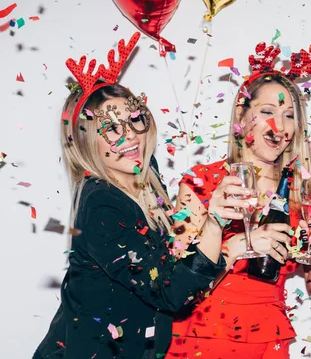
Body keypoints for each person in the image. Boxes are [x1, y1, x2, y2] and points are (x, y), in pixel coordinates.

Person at [34, 32, 226, 358]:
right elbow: (168, 292)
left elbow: (164, 256)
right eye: (110, 128)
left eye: (133, 120)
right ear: (85, 142)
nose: (129, 136)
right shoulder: (101, 204)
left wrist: (195, 221)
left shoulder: (143, 177)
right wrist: (217, 224)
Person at [166, 42, 311, 359]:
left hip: (267, 344)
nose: (279, 126)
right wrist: (240, 244)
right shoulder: (201, 182)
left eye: (289, 115)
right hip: (201, 340)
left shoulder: (302, 193)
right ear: (241, 117)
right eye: (267, 112)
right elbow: (177, 285)